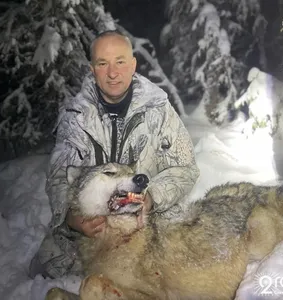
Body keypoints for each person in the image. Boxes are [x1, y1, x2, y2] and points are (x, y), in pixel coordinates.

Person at [29, 30, 200, 279]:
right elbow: (59, 173)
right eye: (102, 63)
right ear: (92, 69)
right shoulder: (76, 116)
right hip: (93, 224)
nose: (112, 73)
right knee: (47, 271)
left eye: (120, 62)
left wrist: (153, 197)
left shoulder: (159, 110)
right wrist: (70, 215)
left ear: (133, 65)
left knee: (172, 271)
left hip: (146, 219)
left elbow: (185, 168)